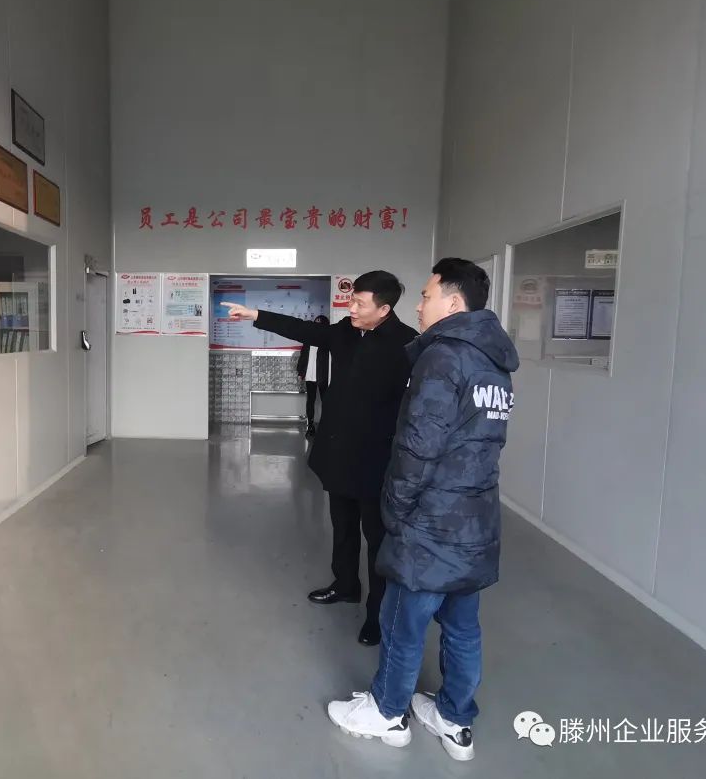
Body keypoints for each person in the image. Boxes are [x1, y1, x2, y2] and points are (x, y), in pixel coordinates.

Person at [326, 258, 520, 762]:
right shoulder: (495, 360)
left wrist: (394, 508)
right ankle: (455, 719)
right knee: (462, 627)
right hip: (476, 517)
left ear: (453, 303)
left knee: (402, 623)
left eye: (427, 296)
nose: (418, 305)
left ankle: (388, 712)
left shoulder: (443, 357)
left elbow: (418, 446)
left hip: (433, 520)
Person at [222, 271, 418, 645]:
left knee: (378, 541)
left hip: (378, 460)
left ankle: (378, 616)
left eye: (360, 303)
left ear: (384, 309)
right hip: (340, 453)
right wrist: (256, 315)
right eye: (352, 300)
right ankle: (345, 585)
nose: (351, 308)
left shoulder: (406, 344)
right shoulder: (346, 332)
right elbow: (306, 331)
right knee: (342, 528)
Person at [296, 315, 330, 438]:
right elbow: (303, 356)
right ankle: (310, 426)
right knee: (310, 401)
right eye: (316, 324)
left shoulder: (328, 340)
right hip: (310, 375)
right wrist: (301, 372)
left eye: (320, 324)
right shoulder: (308, 339)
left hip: (323, 375)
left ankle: (326, 426)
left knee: (326, 401)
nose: (317, 326)